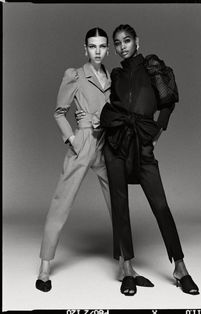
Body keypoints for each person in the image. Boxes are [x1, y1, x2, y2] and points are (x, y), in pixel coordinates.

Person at [36, 27, 152, 293]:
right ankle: (44, 268)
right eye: (92, 46)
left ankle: (127, 268)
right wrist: (73, 139)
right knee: (61, 202)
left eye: (101, 46)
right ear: (85, 49)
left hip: (107, 144)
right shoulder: (74, 75)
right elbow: (59, 112)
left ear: (107, 50)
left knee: (118, 203)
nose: (97, 51)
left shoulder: (112, 77)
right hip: (84, 142)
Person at [98, 24, 200, 296]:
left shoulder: (153, 67)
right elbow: (108, 105)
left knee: (161, 206)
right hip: (117, 145)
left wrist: (157, 133)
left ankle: (180, 268)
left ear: (137, 42)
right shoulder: (117, 74)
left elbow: (168, 102)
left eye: (127, 41)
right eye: (117, 43)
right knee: (120, 206)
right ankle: (128, 269)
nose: (122, 47)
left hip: (142, 146)